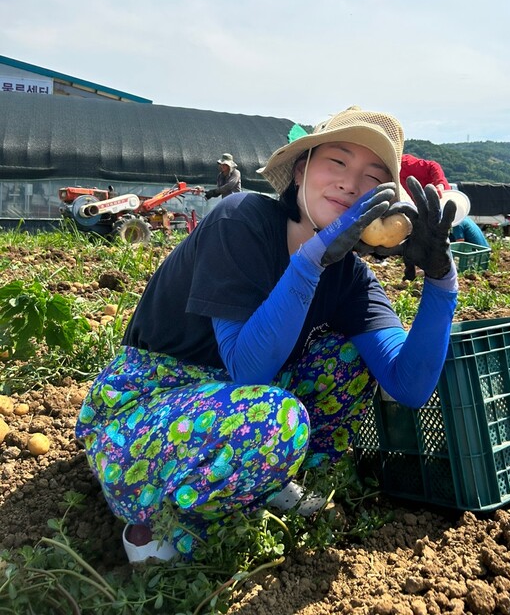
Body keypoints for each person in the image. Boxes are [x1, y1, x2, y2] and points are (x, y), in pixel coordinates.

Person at [75, 105, 458, 564]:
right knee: (276, 419)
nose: (351, 183)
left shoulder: (352, 278)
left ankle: (267, 478)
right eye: (337, 162)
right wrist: (312, 259)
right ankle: (160, 520)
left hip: (234, 406)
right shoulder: (241, 220)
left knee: (348, 357)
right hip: (147, 410)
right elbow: (247, 368)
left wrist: (442, 280)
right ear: (301, 170)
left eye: (373, 177)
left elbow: (410, 385)